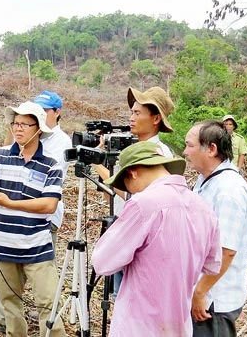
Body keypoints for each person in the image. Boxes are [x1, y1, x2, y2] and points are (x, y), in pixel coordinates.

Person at [91, 141, 222, 337]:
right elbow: (212, 265)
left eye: (125, 184)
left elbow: (102, 262)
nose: (130, 191)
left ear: (133, 172)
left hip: (138, 327)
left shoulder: (143, 204)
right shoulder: (202, 207)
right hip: (178, 327)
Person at [0, 101, 67, 337]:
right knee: (10, 304)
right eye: (15, 124)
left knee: (49, 303)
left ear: (38, 128)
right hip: (2, 245)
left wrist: (10, 203)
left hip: (36, 246)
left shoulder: (51, 164)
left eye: (24, 124)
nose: (18, 129)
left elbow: (49, 204)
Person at [92, 85, 176, 297]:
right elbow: (112, 196)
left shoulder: (158, 154)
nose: (131, 117)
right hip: (126, 233)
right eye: (132, 112)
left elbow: (140, 199)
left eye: (137, 113)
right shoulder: (133, 151)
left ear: (155, 119)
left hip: (142, 243)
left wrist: (97, 164)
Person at [183, 120, 247, 337]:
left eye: (190, 145)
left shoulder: (228, 191)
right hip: (204, 294)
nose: (185, 152)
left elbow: (226, 251)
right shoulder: (206, 180)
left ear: (211, 149)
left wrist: (200, 292)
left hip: (214, 301)